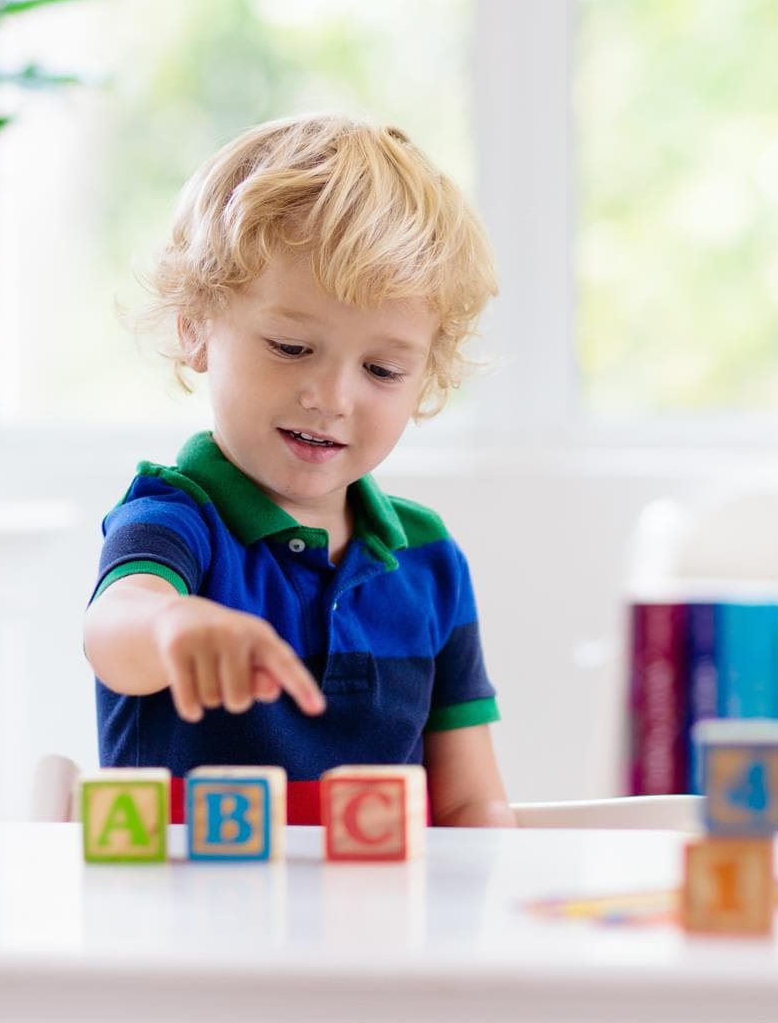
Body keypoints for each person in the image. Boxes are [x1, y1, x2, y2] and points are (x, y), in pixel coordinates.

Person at [83, 113, 515, 827]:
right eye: (290, 347)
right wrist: (174, 627)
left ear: (426, 377)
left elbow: (471, 800)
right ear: (195, 324)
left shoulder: (429, 559)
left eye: (382, 368)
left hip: (380, 930)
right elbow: (113, 631)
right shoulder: (176, 516)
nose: (332, 397)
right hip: (189, 923)